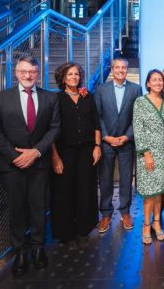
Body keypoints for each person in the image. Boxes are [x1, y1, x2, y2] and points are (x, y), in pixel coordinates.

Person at [0, 56, 60, 277]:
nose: (28, 76)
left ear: (38, 73)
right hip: (12, 165)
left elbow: (55, 128)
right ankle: (19, 251)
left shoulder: (50, 98)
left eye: (32, 72)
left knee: (38, 208)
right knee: (16, 209)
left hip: (39, 164)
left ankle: (38, 249)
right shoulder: (1, 98)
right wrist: (15, 156)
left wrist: (36, 151)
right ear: (16, 73)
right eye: (23, 72)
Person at [50, 63, 101, 245]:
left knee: (85, 190)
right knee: (64, 191)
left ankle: (84, 229)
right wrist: (55, 157)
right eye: (70, 74)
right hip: (65, 151)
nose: (74, 77)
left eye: (77, 74)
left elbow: (96, 123)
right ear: (62, 78)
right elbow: (52, 130)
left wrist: (97, 146)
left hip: (87, 150)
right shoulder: (55, 99)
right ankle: (66, 232)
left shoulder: (87, 97)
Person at [94, 58, 142, 234]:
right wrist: (105, 137)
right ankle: (106, 213)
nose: (121, 70)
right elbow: (97, 116)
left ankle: (125, 212)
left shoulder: (135, 89)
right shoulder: (101, 89)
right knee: (105, 179)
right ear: (112, 69)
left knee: (126, 178)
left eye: (124, 67)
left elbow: (137, 116)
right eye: (117, 67)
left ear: (127, 70)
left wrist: (127, 136)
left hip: (126, 142)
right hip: (107, 142)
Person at [133, 69, 164, 245]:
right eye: (154, 80)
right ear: (148, 83)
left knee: (159, 192)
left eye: (160, 80)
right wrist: (146, 153)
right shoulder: (140, 102)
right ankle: (146, 225)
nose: (158, 83)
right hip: (147, 154)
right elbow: (138, 128)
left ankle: (157, 224)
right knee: (149, 193)